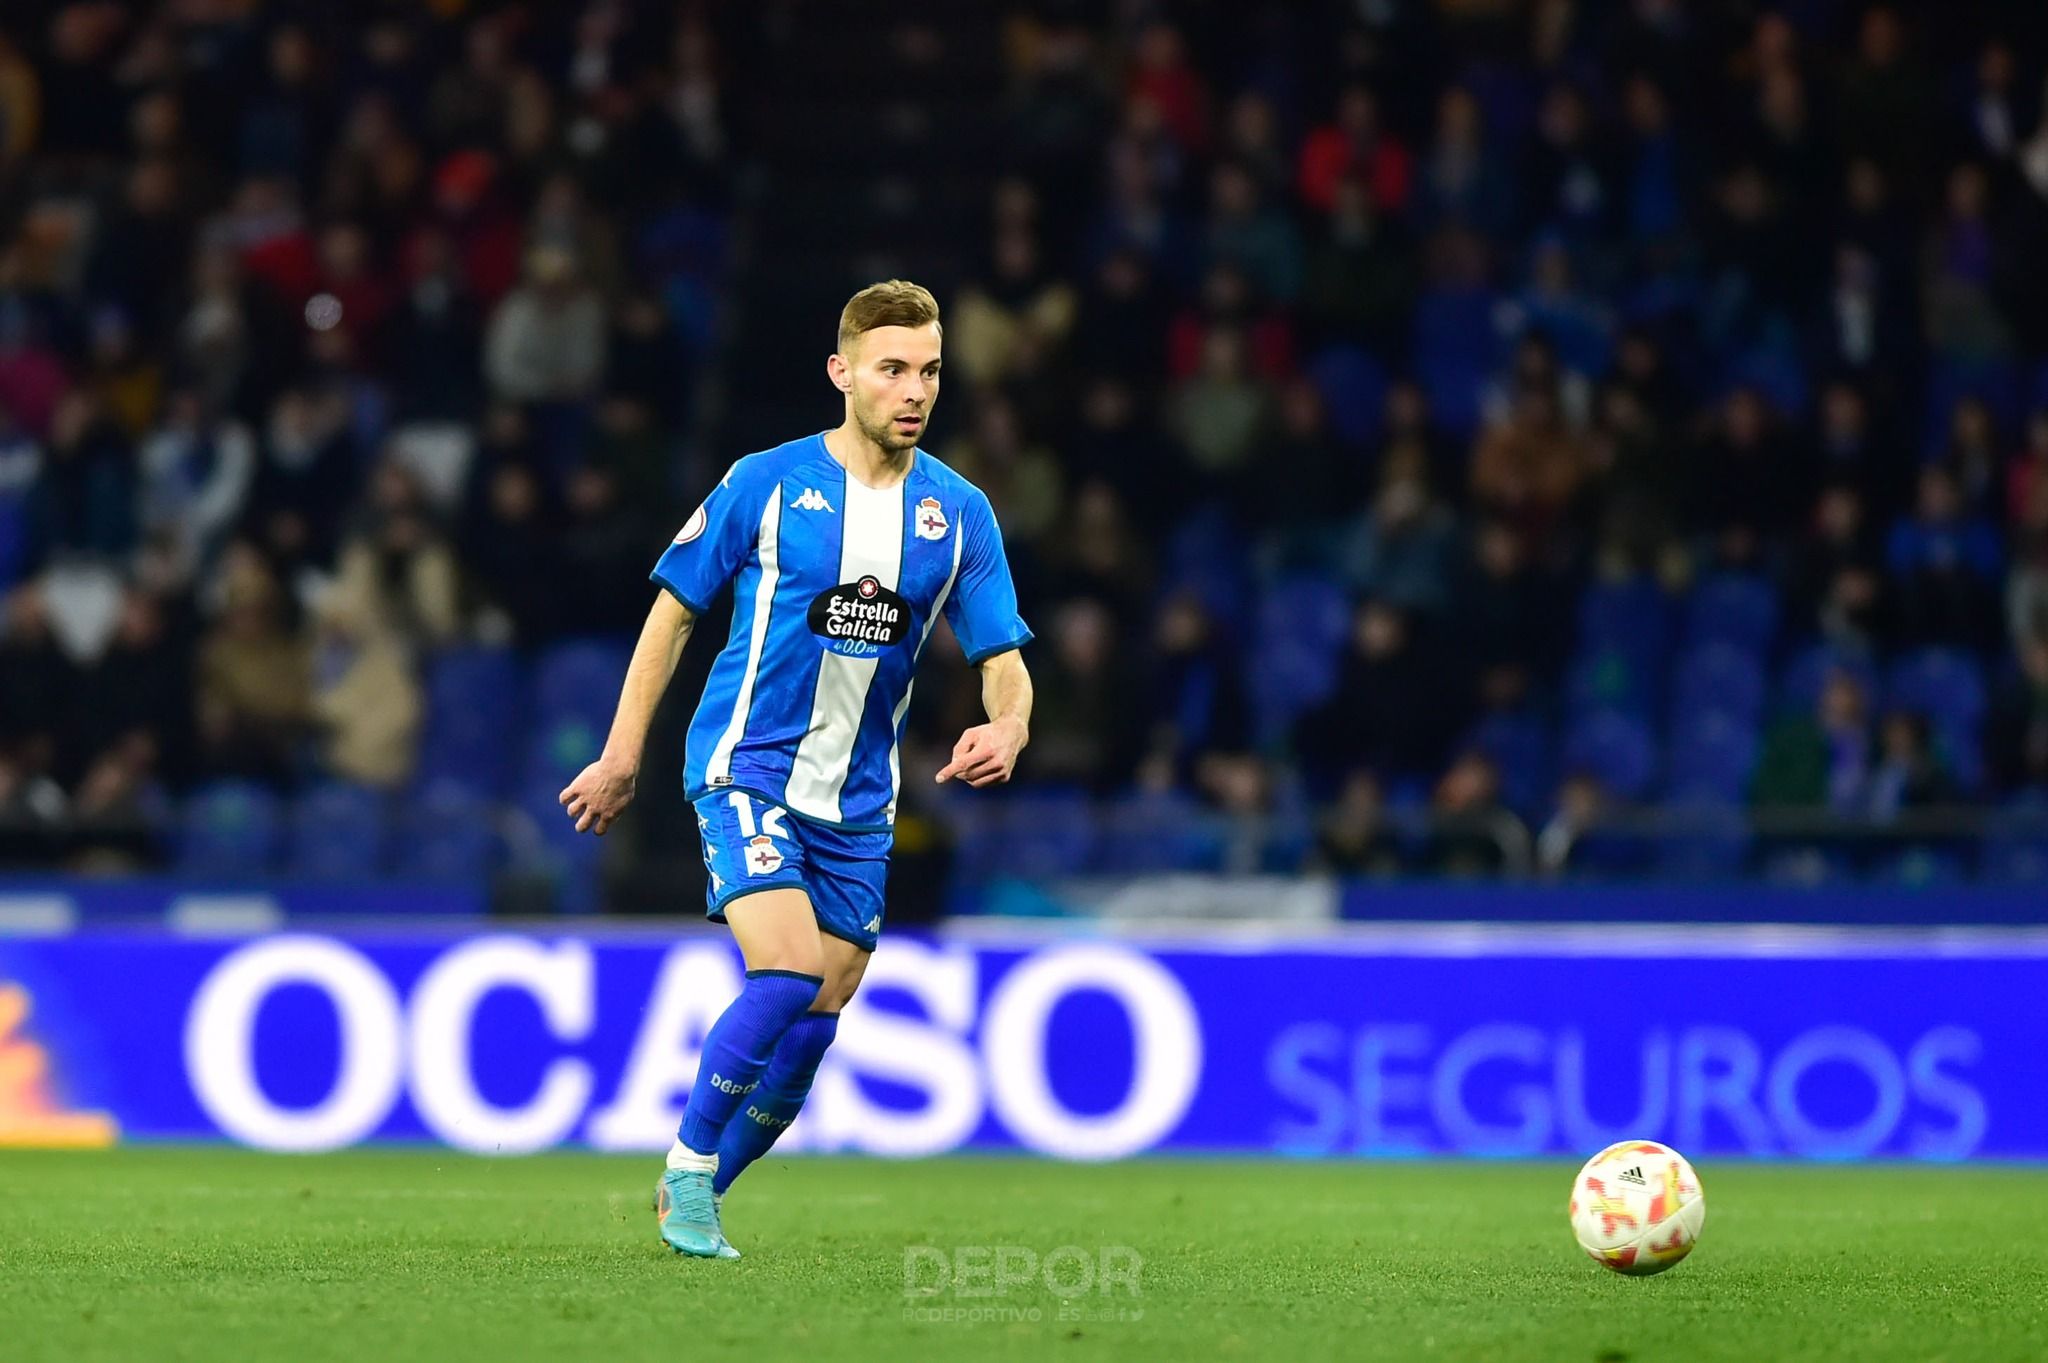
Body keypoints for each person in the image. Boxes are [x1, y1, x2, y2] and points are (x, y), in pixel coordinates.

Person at [556, 282, 1033, 1259]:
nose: (913, 390)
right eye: (892, 368)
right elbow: (674, 610)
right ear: (842, 372)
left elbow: (1000, 656)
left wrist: (1011, 725)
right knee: (785, 972)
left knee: (814, 1024)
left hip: (858, 804)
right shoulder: (764, 482)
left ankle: (692, 1192)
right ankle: (688, 1173)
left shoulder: (959, 512)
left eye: (929, 370)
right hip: (747, 766)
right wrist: (619, 753)